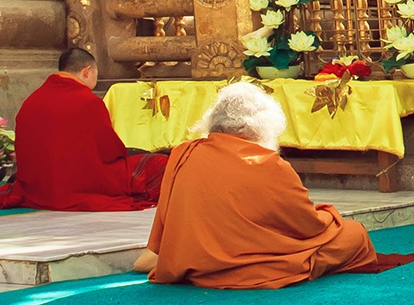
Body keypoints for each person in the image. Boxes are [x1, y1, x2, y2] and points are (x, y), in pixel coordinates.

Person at [134, 82, 379, 288]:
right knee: (353, 234)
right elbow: (307, 225)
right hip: (251, 264)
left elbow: (166, 220)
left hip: (193, 259)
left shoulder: (183, 152)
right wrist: (329, 216)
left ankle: (194, 262)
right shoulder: (269, 163)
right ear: (257, 124)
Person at [0, 48, 168, 211]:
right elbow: (110, 153)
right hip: (80, 185)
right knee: (160, 164)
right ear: (87, 71)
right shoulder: (88, 101)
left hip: (39, 186)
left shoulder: (32, 100)